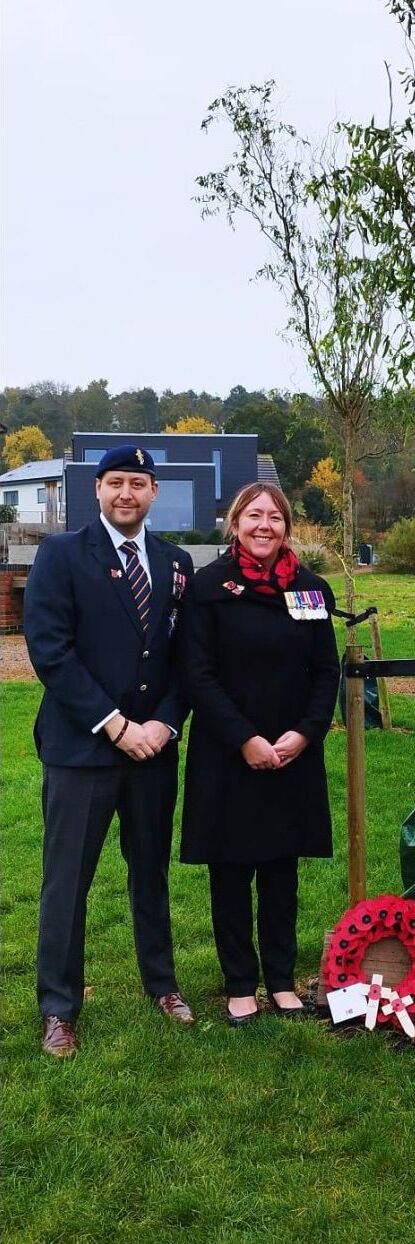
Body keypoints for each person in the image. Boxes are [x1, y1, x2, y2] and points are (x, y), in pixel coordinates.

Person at [23, 445, 196, 1057]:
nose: (127, 493)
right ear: (97, 489)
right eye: (116, 482)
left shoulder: (175, 563)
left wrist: (165, 724)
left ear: (154, 492)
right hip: (83, 749)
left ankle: (163, 985)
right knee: (67, 881)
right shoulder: (62, 555)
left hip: (153, 751)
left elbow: (185, 658)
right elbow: (50, 650)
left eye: (138, 483)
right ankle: (59, 1008)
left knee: (150, 872)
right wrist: (116, 725)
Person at [179, 482, 340, 1024]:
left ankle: (281, 979)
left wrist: (306, 733)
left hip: (292, 752)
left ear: (287, 526)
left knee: (280, 868)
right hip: (228, 751)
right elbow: (197, 674)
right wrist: (244, 738)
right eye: (253, 515)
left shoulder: (311, 590)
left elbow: (325, 671)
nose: (263, 525)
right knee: (230, 869)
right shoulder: (208, 588)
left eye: (274, 516)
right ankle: (240, 983)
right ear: (234, 523)